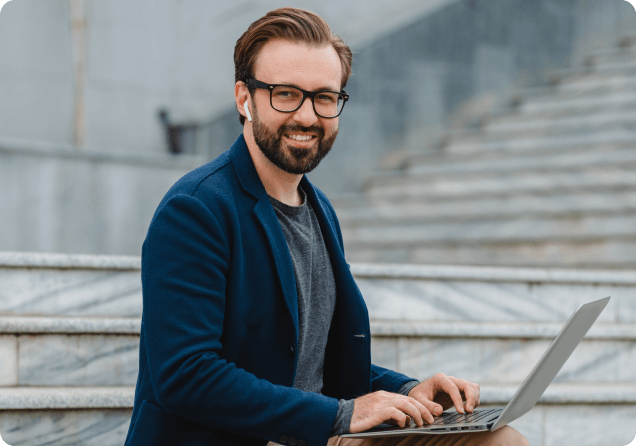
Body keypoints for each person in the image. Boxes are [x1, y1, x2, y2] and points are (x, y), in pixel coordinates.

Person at [124, 7, 529, 446]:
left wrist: (408, 390)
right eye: (285, 94)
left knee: (499, 440)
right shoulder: (196, 209)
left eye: (324, 97)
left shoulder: (319, 210)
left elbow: (315, 362)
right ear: (245, 98)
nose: (306, 116)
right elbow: (186, 375)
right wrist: (340, 415)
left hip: (316, 435)